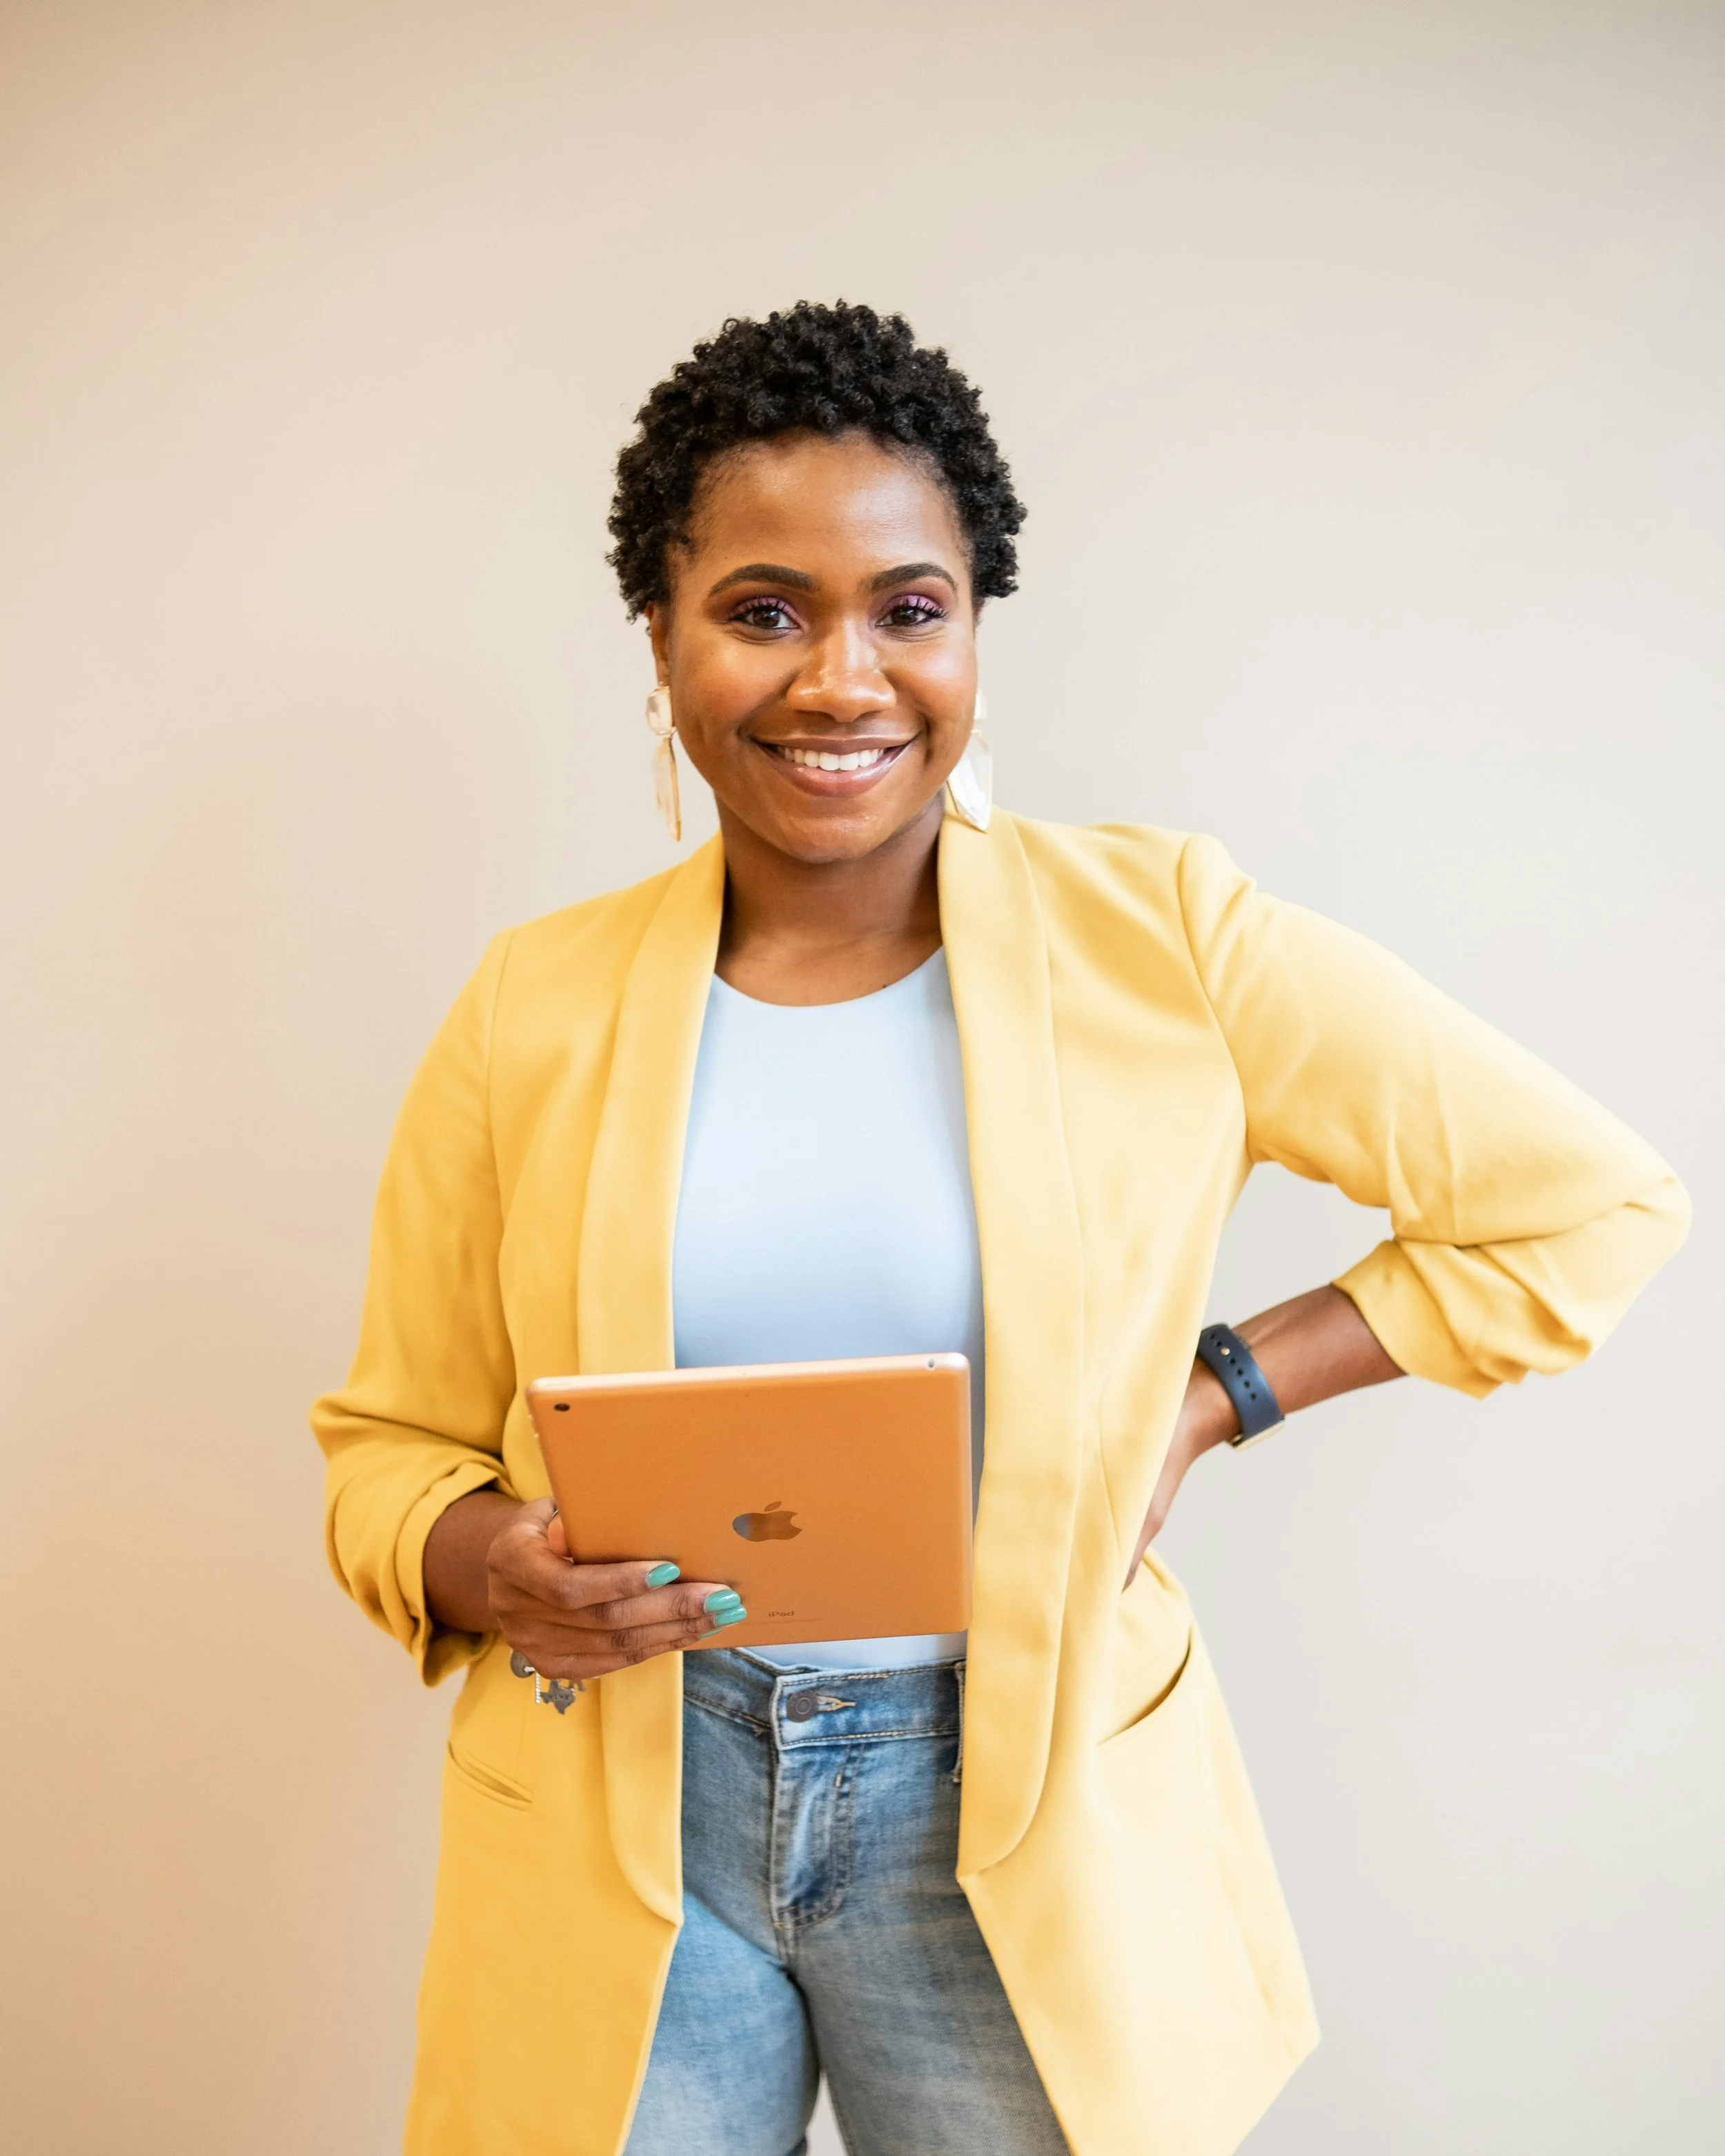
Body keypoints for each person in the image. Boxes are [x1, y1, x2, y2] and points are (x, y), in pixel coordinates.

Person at [312, 301, 1688, 2156]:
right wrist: (486, 1560)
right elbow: (385, 1446)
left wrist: (1210, 1396)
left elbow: (1580, 1203)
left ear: (972, 631)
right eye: (764, 608)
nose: (841, 680)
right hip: (633, 1803)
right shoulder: (531, 1005)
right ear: (663, 632)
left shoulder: (1163, 938)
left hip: (1018, 1811)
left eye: (908, 605)